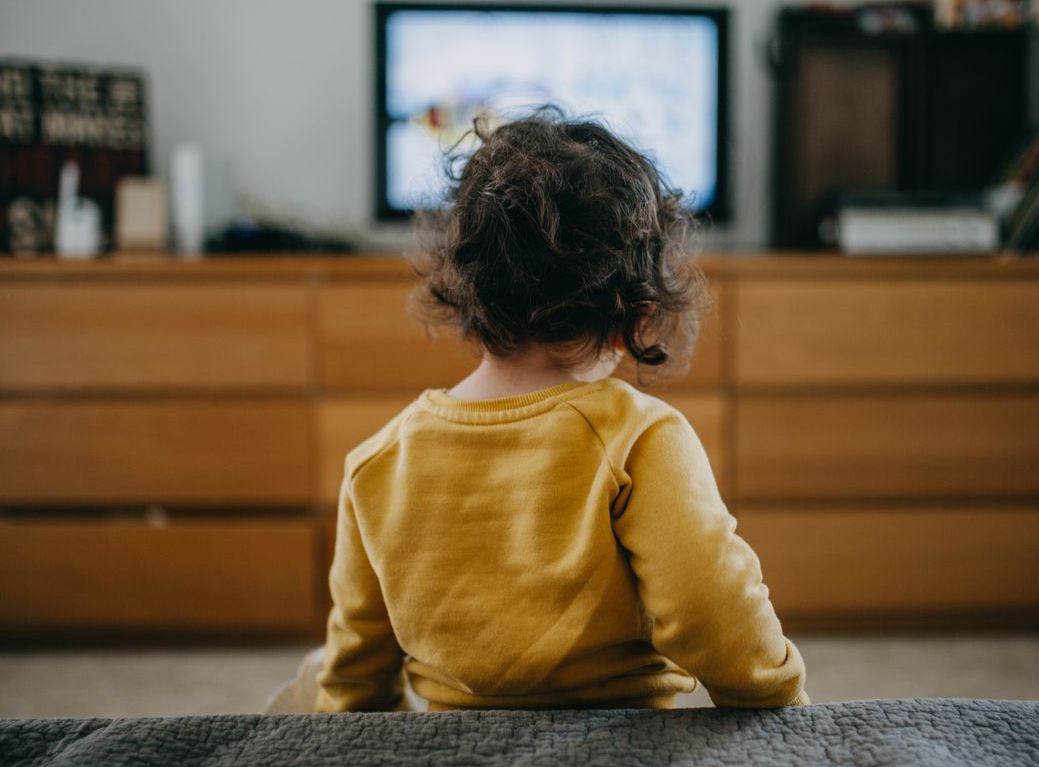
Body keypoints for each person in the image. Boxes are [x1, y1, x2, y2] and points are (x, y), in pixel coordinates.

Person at [315, 110, 808, 712]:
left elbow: (355, 667)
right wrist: (778, 699)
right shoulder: (639, 436)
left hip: (453, 743)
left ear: (465, 287)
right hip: (620, 741)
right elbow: (711, 610)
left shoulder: (379, 458)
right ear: (636, 312)